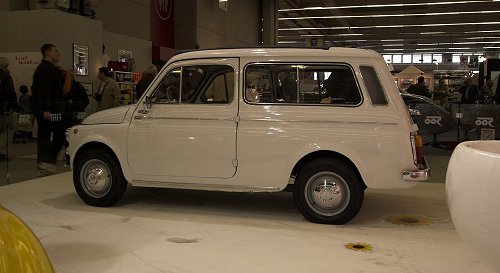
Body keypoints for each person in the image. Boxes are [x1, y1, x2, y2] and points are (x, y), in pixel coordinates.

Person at [31, 44, 66, 174]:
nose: (58, 53)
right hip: (51, 110)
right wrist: (45, 109)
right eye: (55, 51)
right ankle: (47, 160)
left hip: (51, 109)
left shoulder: (48, 69)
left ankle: (45, 163)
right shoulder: (45, 69)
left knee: (45, 135)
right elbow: (43, 90)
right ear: (48, 53)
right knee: (59, 132)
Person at [0, 57, 19, 160]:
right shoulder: (6, 76)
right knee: (7, 130)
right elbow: (10, 92)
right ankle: (2, 152)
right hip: (5, 107)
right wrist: (14, 106)